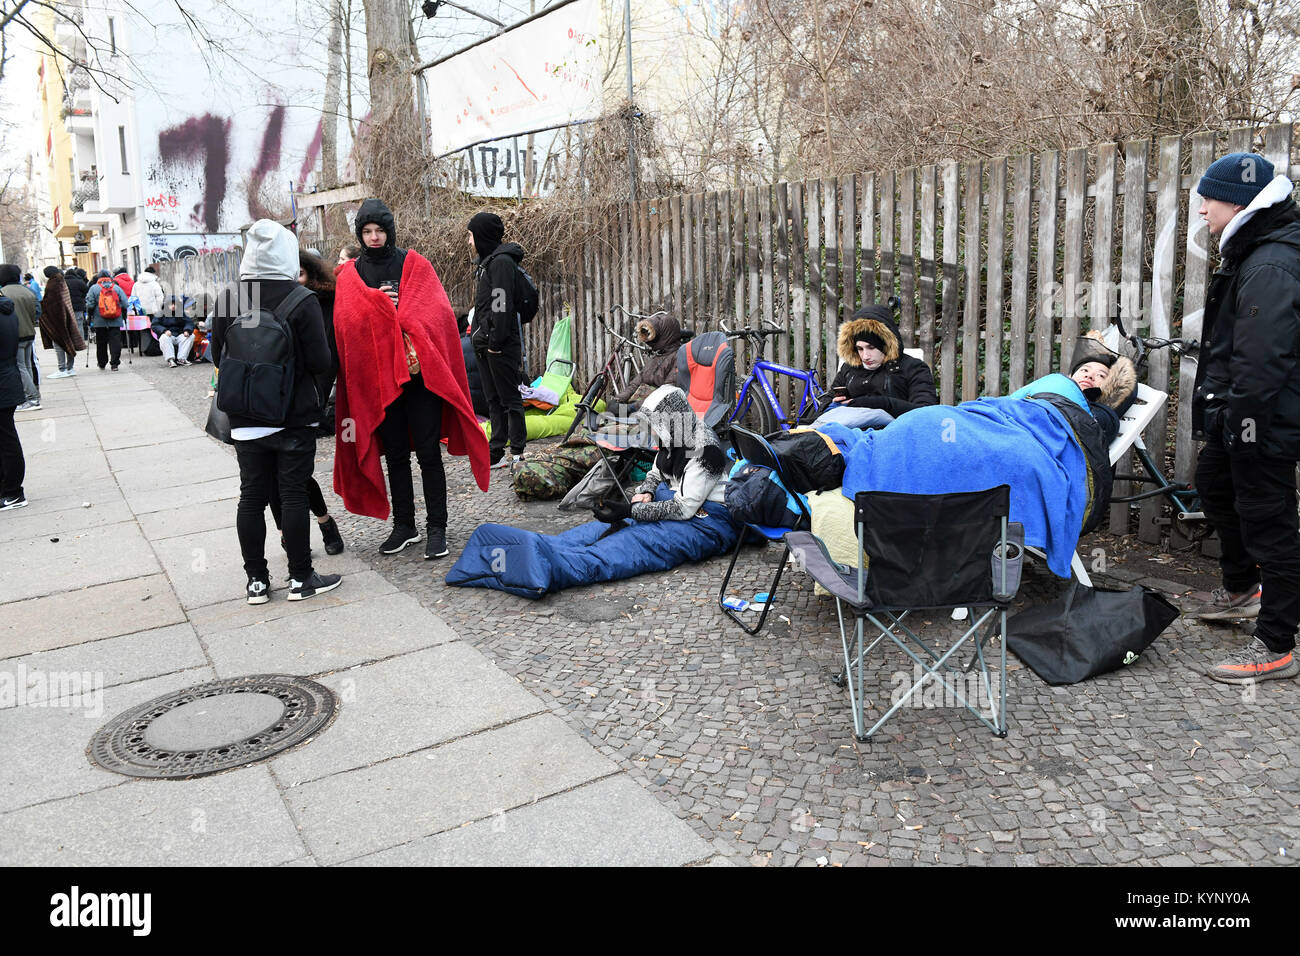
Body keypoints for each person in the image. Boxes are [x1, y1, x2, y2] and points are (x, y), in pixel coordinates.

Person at [447, 385, 741, 597]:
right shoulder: (676, 435)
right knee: (598, 531)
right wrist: (647, 493)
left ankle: (549, 567)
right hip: (675, 502)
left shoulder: (705, 450)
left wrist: (631, 510)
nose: (652, 430)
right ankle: (535, 549)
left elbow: (684, 509)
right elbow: (655, 471)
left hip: (708, 520)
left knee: (633, 543)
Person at [1183, 152, 1300, 684]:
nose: (1202, 208)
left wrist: (1244, 433)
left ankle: (1276, 644)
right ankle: (1242, 591)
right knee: (1212, 481)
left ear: (1239, 201)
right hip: (1245, 419)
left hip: (1264, 425)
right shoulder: (1255, 252)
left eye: (1208, 197)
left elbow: (1262, 360)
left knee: (1270, 524)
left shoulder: (1271, 262)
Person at [332, 198, 489, 560]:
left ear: (390, 230)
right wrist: (375, 309)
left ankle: (437, 528)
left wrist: (399, 311)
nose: (373, 237)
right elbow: (346, 329)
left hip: (421, 379)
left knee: (429, 452)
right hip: (378, 382)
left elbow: (438, 317)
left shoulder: (414, 265)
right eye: (367, 231)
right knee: (396, 455)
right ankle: (405, 526)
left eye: (379, 230)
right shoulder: (351, 277)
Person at [210, 219, 341, 603]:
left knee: (250, 496)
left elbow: (219, 354)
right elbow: (321, 360)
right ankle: (301, 578)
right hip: (292, 415)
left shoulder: (229, 296)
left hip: (245, 416)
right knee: (294, 494)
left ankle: (256, 582)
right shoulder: (301, 299)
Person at [812, 302, 938, 429]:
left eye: (871, 347)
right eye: (860, 349)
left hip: (893, 434)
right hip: (848, 432)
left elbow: (925, 412)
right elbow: (827, 399)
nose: (865, 356)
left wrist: (883, 403)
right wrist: (834, 403)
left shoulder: (913, 368)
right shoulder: (850, 368)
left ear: (886, 344)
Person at [467, 211, 528, 470]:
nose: (468, 242)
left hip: (499, 345)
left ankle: (517, 452)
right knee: (493, 399)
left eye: (470, 235)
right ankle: (497, 449)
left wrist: (495, 341)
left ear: (481, 236)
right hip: (485, 344)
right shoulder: (487, 263)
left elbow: (501, 304)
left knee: (509, 398)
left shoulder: (501, 263)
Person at [0, 265, 40, 408]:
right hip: (29, 333)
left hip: (16, 335)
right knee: (27, 366)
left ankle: (32, 398)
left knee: (20, 367)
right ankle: (32, 395)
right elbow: (37, 312)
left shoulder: (3, 293)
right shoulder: (28, 291)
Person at [0, 293, 26, 509]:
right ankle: (9, 489)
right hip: (7, 377)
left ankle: (13, 492)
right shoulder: (6, 308)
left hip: (3, 381)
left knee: (6, 439)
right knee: (6, 438)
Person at [38, 266, 85, 378]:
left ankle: (62, 368)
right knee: (68, 341)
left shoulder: (53, 284)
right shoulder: (61, 281)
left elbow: (52, 302)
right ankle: (69, 368)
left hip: (58, 318)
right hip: (67, 315)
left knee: (59, 343)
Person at [85, 270, 127, 371]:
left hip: (99, 320)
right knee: (115, 341)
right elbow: (125, 303)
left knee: (101, 342)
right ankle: (114, 364)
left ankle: (102, 363)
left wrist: (90, 316)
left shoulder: (94, 288)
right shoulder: (116, 288)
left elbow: (89, 304)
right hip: (116, 319)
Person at [152, 290, 194, 367]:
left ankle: (182, 359)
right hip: (168, 335)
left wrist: (187, 330)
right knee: (164, 338)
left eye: (175, 304)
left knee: (191, 336)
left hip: (179, 335)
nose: (173, 306)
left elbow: (189, 322)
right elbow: (155, 325)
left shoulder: (181, 313)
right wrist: (164, 331)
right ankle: (170, 360)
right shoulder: (160, 313)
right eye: (171, 304)